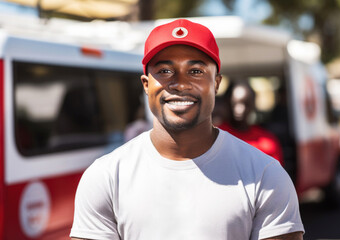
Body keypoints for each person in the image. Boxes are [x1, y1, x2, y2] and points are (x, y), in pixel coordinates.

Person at [70, 19, 304, 240]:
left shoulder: (265, 176)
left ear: (216, 83)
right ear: (145, 84)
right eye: (164, 71)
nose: (180, 83)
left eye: (195, 71)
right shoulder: (105, 177)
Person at [217, 81, 284, 165]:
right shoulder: (214, 138)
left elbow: (275, 175)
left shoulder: (267, 142)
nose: (240, 109)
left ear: (253, 105)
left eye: (246, 104)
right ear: (226, 103)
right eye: (234, 104)